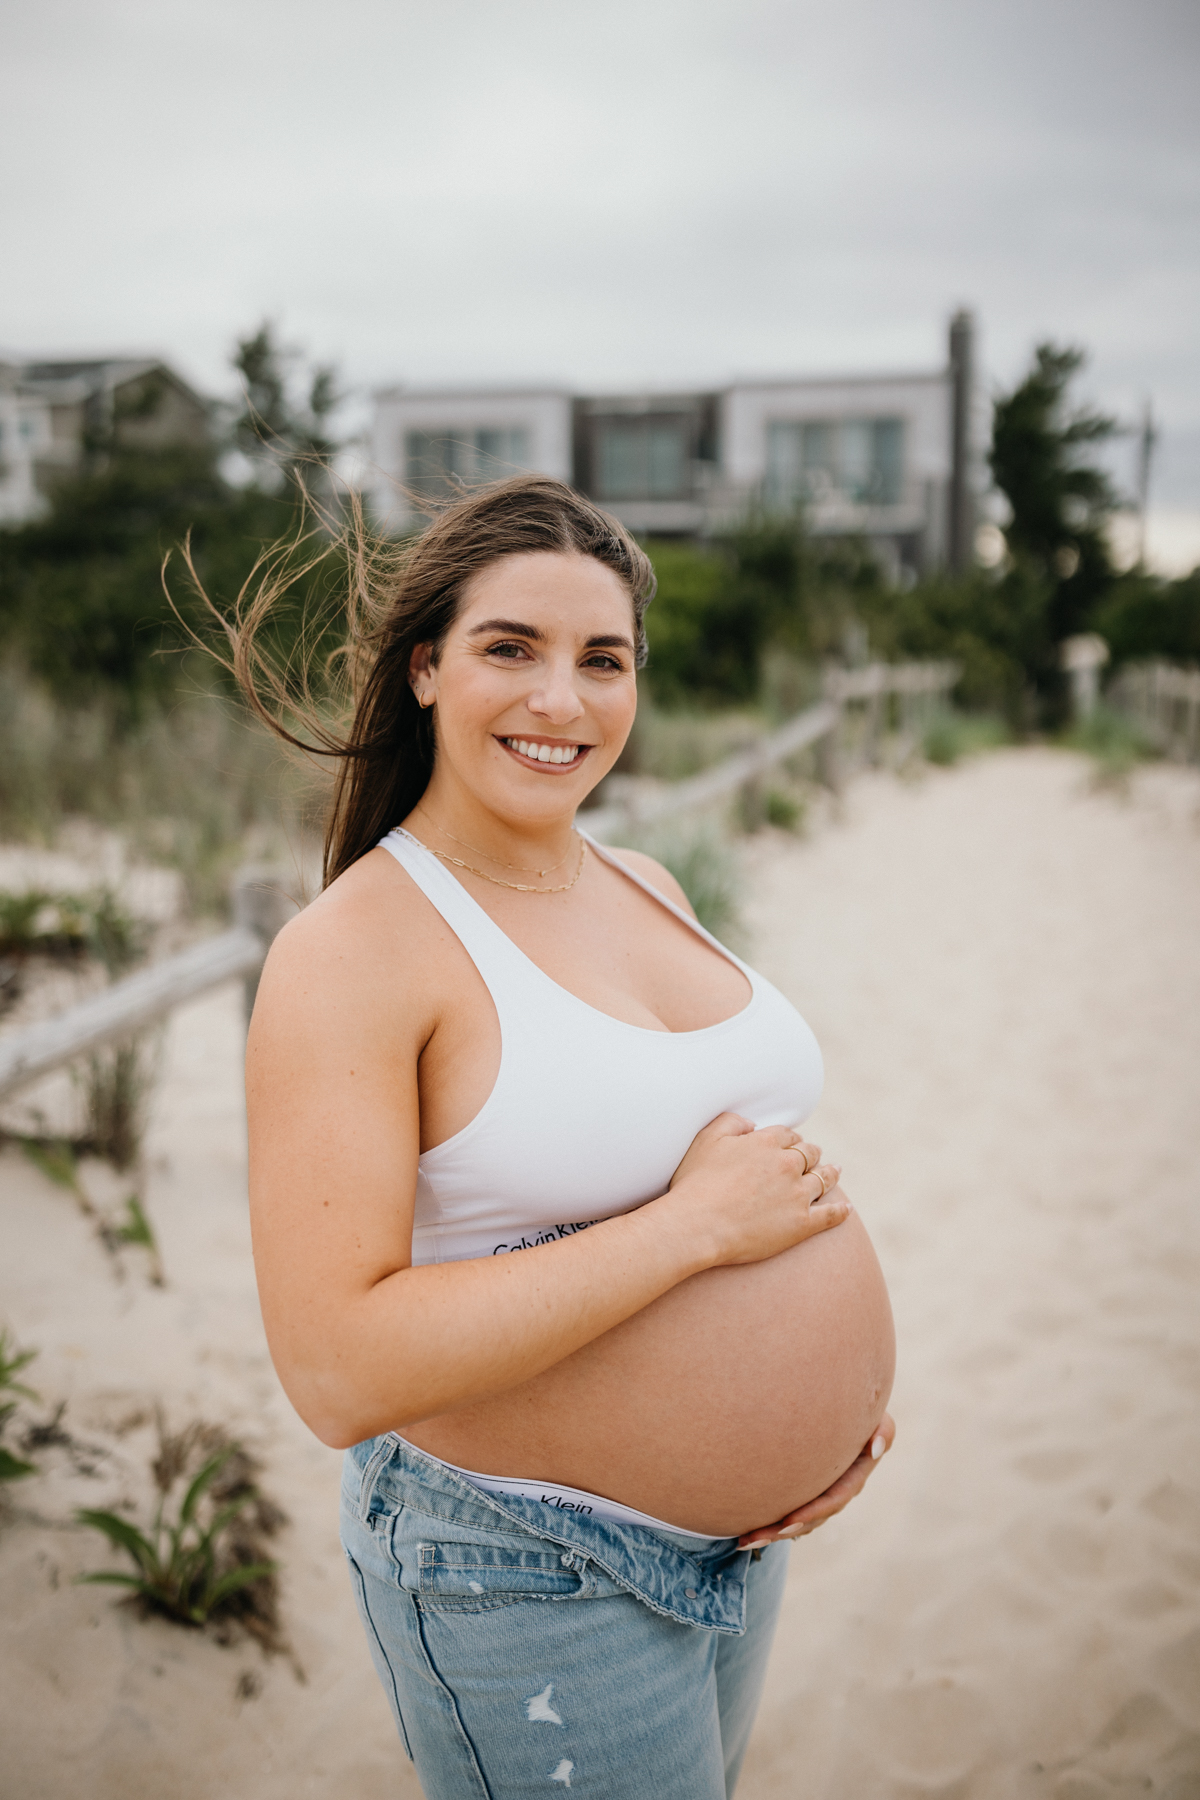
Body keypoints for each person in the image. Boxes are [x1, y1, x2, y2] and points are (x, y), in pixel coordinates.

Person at [237, 476, 895, 1799]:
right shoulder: (351, 955)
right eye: (509, 650)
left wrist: (832, 1409)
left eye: (605, 661)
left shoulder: (645, 883)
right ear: (424, 667)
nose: (562, 701)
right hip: (521, 1566)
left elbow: (730, 1166)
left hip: (742, 1546)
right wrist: (697, 1231)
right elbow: (335, 1371)